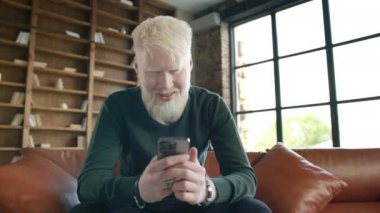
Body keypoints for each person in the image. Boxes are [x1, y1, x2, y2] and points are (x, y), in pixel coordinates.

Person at [70, 16, 271, 213]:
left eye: (175, 70)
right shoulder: (117, 106)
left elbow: (246, 178)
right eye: (153, 72)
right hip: (135, 205)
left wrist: (208, 190)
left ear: (190, 65)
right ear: (137, 69)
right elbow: (88, 184)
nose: (166, 85)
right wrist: (138, 189)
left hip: (195, 204)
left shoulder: (211, 105)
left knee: (254, 209)